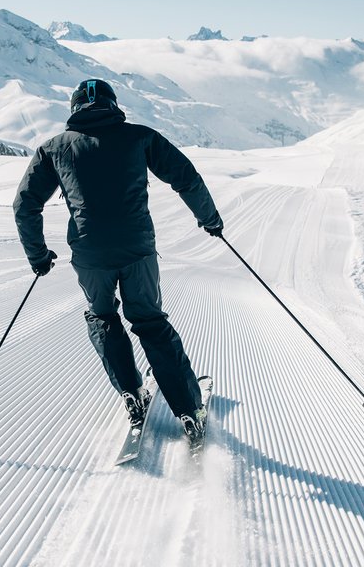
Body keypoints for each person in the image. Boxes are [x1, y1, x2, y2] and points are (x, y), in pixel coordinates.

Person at [13, 78, 224, 445]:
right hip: (137, 249)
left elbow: (25, 205)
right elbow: (185, 178)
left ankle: (132, 392)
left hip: (90, 254)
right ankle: (189, 411)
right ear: (113, 104)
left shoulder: (54, 148)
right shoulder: (140, 136)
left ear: (74, 108)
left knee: (103, 317)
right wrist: (209, 220)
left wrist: (38, 255)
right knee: (149, 322)